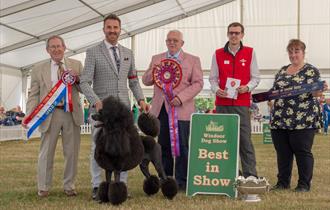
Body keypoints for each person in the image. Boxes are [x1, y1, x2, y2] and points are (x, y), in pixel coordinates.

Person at [79, 14, 149, 199]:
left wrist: (141, 100)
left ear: (120, 29)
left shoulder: (128, 53)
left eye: (115, 28)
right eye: (108, 27)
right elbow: (84, 82)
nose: (112, 31)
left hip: (123, 112)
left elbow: (133, 81)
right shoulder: (93, 52)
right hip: (102, 112)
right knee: (98, 149)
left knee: (124, 148)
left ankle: (121, 186)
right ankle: (97, 187)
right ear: (103, 29)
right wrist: (95, 101)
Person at [142, 30, 204, 190]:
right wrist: (153, 71)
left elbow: (198, 84)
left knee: (182, 147)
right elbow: (146, 81)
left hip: (181, 109)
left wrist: (181, 98)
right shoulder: (157, 59)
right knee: (162, 147)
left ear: (182, 43)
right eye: (169, 40)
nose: (172, 43)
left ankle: (182, 182)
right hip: (160, 110)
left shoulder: (193, 60)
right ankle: (166, 179)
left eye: (175, 40)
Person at [23, 35, 84, 197]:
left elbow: (85, 88)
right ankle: (43, 187)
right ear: (47, 50)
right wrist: (29, 115)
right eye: (52, 47)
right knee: (46, 152)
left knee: (71, 152)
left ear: (65, 48)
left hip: (72, 113)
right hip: (49, 114)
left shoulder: (77, 65)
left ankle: (69, 186)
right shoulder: (37, 69)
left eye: (59, 46)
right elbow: (33, 95)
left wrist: (77, 78)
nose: (56, 49)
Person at [269, 39, 328, 192]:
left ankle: (303, 184)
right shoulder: (282, 71)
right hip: (280, 118)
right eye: (291, 51)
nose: (293, 54)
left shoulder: (311, 71)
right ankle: (282, 183)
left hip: (303, 118)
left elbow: (315, 92)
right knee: (282, 152)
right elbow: (274, 91)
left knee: (302, 151)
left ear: (303, 52)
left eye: (297, 51)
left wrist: (319, 90)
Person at [209, 22, 260, 178]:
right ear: (227, 34)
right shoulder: (217, 54)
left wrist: (247, 87)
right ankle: (227, 174)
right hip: (222, 105)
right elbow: (212, 79)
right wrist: (217, 90)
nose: (234, 36)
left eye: (237, 33)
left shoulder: (250, 53)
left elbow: (256, 78)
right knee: (223, 141)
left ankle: (250, 176)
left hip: (242, 104)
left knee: (245, 142)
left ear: (242, 35)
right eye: (231, 33)